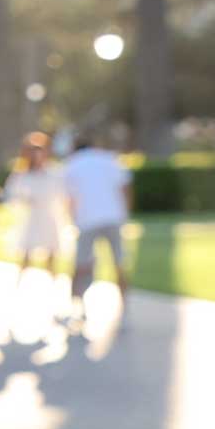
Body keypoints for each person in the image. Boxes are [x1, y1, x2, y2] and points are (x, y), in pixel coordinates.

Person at [61, 127, 132, 325]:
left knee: (81, 265)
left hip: (86, 220)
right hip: (113, 217)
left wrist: (72, 219)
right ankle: (125, 307)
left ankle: (78, 307)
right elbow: (125, 188)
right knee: (119, 262)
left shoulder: (71, 165)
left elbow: (69, 198)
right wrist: (124, 213)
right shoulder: (109, 159)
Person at [5, 132, 66, 300]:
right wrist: (25, 200)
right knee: (25, 257)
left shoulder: (54, 172)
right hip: (31, 220)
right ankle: (17, 294)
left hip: (48, 218)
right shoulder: (21, 174)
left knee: (52, 258)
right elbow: (11, 196)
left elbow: (63, 194)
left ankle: (55, 296)